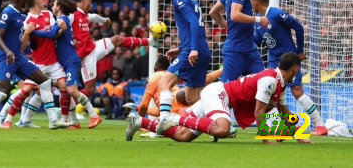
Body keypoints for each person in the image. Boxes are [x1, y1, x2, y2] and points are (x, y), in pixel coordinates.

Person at [126, 52, 312, 144]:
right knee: (223, 129)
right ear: (295, 69)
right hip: (218, 94)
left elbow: (284, 113)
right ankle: (175, 118)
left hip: (218, 97)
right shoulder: (270, 80)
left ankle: (138, 121)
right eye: (299, 69)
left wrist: (298, 134)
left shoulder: (280, 83)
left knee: (183, 136)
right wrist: (267, 140)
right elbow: (259, 113)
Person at [0, 0, 61, 130]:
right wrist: (7, 52)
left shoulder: (20, 15)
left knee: (44, 83)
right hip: (6, 59)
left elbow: (16, 38)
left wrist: (25, 54)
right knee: (2, 93)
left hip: (19, 58)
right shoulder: (8, 13)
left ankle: (52, 121)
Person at [69, 0, 157, 127]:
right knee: (90, 90)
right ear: (81, 2)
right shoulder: (71, 15)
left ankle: (149, 41)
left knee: (117, 39)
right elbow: (63, 28)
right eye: (89, 2)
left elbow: (94, 17)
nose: (91, 5)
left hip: (93, 48)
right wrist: (71, 40)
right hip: (85, 58)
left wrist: (105, 20)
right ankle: (69, 110)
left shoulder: (85, 15)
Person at [251, 0, 328, 136]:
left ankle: (320, 125)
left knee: (297, 91)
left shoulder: (276, 14)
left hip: (289, 58)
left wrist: (299, 51)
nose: (251, 5)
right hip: (274, 61)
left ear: (256, 2)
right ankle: (285, 126)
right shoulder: (257, 21)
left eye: (251, 3)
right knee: (272, 95)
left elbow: (298, 27)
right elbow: (257, 41)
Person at [0, 0, 71, 129]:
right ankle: (7, 119)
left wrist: (61, 31)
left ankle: (59, 120)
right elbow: (22, 47)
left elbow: (53, 34)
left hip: (53, 62)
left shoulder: (48, 14)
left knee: (64, 88)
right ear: (37, 1)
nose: (44, 1)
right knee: (26, 91)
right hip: (37, 62)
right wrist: (26, 33)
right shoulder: (27, 21)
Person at [30, 0, 100, 129]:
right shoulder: (60, 21)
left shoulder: (63, 19)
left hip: (70, 61)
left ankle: (94, 115)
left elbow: (51, 34)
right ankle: (74, 122)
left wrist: (33, 32)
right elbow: (55, 35)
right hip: (66, 61)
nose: (52, 5)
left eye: (54, 4)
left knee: (72, 90)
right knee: (67, 90)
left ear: (59, 7)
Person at [158, 0, 211, 120]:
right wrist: (181, 48)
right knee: (192, 99)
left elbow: (193, 22)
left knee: (164, 84)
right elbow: (194, 25)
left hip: (194, 52)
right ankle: (217, 121)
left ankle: (163, 123)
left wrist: (192, 49)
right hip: (203, 50)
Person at [209, 0, 269, 83]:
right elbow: (235, 15)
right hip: (235, 50)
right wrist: (259, 19)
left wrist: (227, 25)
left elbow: (213, 12)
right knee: (226, 90)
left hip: (249, 49)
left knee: (263, 84)